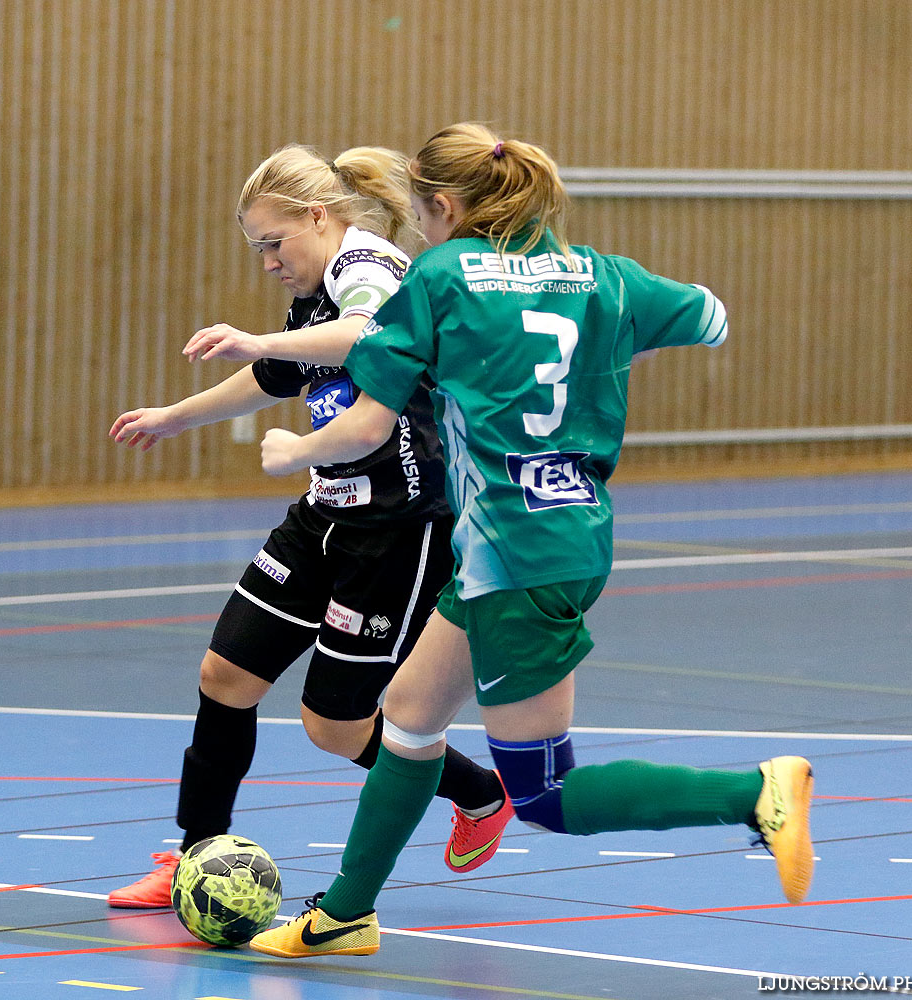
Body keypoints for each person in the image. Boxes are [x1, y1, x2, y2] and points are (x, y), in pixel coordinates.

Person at [247, 123, 815, 959]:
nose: (421, 236)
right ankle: (344, 915)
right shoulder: (605, 277)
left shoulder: (441, 275)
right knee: (407, 716)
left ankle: (754, 792)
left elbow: (370, 416)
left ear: (443, 208)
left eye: (421, 218)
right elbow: (712, 317)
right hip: (543, 537)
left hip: (517, 557)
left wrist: (295, 448)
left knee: (545, 792)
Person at [106, 144, 512, 907]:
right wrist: (173, 418)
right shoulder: (313, 293)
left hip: (401, 527)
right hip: (326, 511)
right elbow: (275, 376)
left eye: (272, 243)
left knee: (334, 724)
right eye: (256, 249)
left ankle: (482, 793)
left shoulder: (375, 269)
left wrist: (260, 338)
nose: (266, 263)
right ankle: (196, 857)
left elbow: (362, 335)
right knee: (224, 675)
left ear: (318, 217)